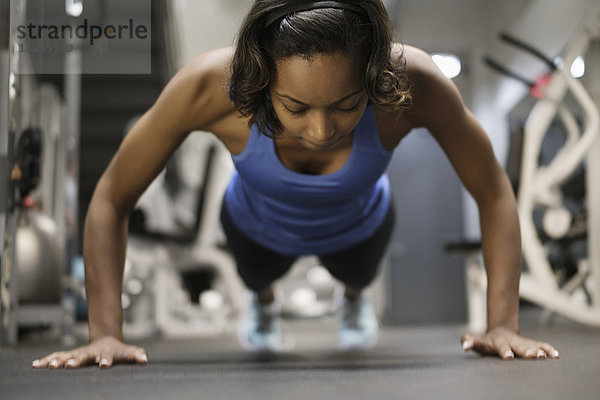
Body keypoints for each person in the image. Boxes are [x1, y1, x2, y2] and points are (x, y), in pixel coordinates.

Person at [32, 0, 559, 369]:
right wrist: (104, 333)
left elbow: (492, 190)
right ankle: (262, 302)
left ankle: (354, 297)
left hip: (361, 227)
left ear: (373, 78)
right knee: (258, 272)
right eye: (297, 108)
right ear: (262, 81)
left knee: (358, 269)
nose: (321, 130)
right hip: (254, 229)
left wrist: (502, 324)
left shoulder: (411, 81)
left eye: (348, 105)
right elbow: (112, 197)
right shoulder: (210, 87)